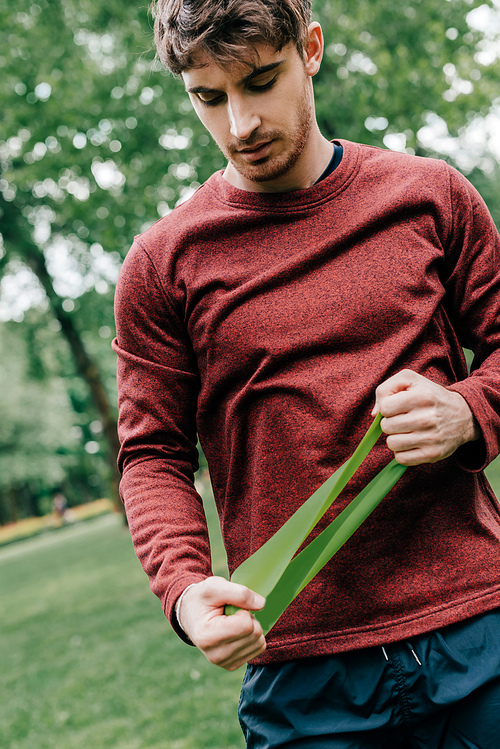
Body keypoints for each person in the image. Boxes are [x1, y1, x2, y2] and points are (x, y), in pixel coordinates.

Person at [113, 1, 500, 746]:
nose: (240, 124)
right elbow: (151, 454)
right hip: (300, 674)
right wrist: (185, 588)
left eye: (260, 81)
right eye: (209, 96)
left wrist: (470, 409)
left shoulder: (432, 195)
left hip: (476, 630)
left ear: (311, 48)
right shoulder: (162, 265)